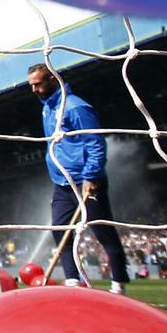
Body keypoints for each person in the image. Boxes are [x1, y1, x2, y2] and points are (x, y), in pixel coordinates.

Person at [28, 63, 130, 294]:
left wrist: (91, 176)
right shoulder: (47, 109)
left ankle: (118, 283)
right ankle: (72, 280)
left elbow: (95, 143)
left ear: (53, 80)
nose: (33, 90)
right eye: (31, 85)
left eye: (37, 84)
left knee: (103, 232)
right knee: (60, 230)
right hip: (62, 185)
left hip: (87, 182)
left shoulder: (76, 107)